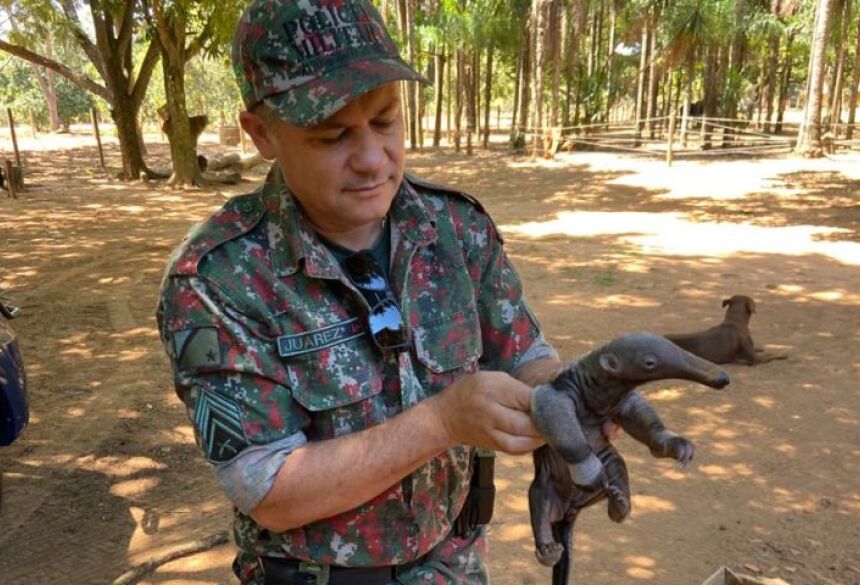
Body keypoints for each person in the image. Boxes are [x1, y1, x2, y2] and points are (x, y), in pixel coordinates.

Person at [156, 0, 564, 583]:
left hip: (455, 561)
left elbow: (523, 353)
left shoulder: (456, 227)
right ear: (261, 133)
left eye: (385, 120)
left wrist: (570, 397)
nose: (373, 160)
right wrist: (444, 422)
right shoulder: (218, 278)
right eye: (331, 135)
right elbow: (267, 487)